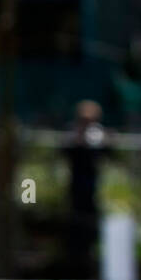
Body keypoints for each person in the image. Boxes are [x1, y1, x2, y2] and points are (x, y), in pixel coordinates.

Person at [63, 100, 107, 268]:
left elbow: (106, 154)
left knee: (91, 221)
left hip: (94, 186)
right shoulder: (71, 132)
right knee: (75, 220)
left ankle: (90, 254)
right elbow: (64, 153)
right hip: (75, 185)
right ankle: (74, 256)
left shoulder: (98, 133)